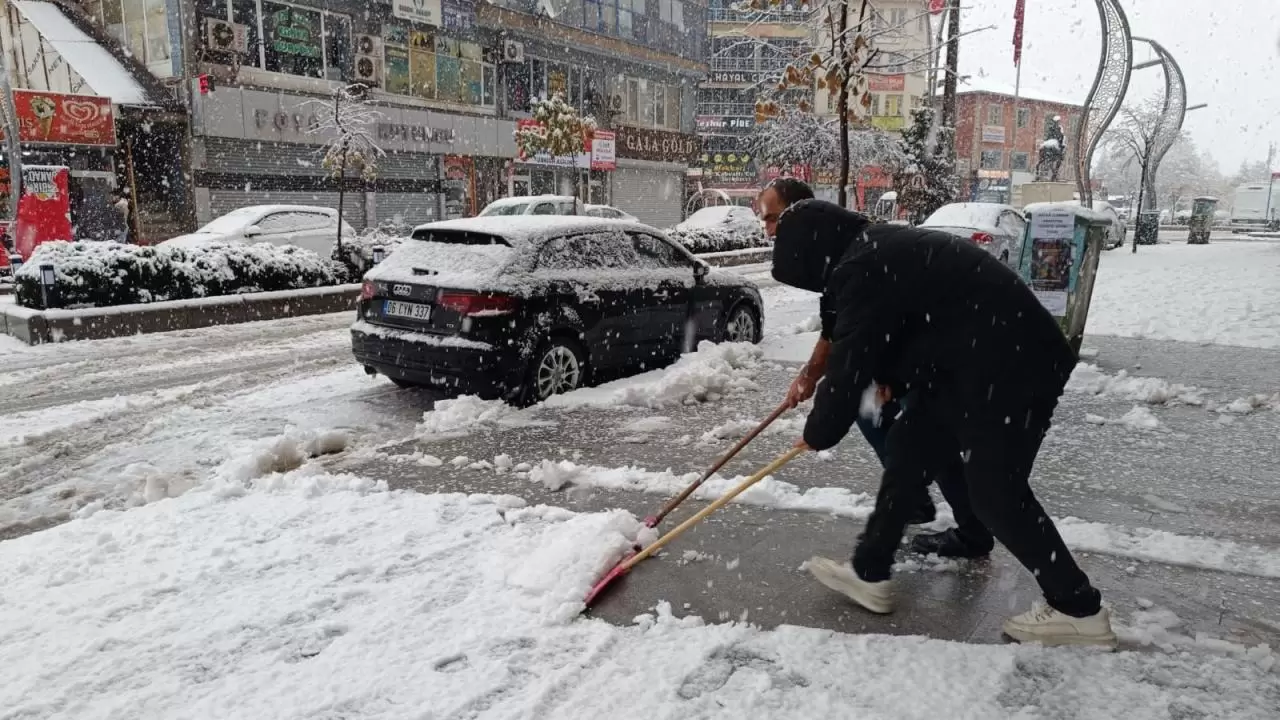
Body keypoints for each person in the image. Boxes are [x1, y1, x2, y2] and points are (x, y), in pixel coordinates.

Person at [774, 199, 1114, 647]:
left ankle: (1077, 609)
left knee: (995, 490)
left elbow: (848, 365)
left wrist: (818, 431)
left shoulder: (863, 266)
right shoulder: (872, 251)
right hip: (969, 362)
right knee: (910, 446)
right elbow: (908, 324)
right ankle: (871, 572)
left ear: (812, 253)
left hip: (1012, 365)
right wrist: (896, 378)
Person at [759, 178, 989, 555]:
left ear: (799, 215)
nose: (767, 230)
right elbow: (837, 328)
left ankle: (901, 544)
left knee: (923, 433)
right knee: (881, 421)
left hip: (954, 350)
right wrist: (809, 377)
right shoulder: (835, 251)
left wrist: (823, 426)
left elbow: (863, 337)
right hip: (925, 350)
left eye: (772, 218)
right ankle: (919, 503)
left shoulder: (857, 254)